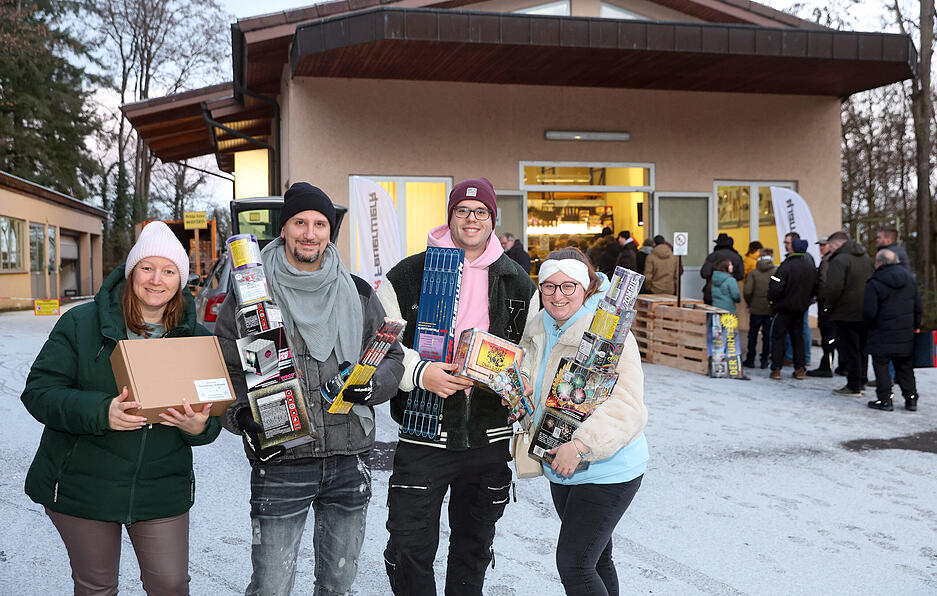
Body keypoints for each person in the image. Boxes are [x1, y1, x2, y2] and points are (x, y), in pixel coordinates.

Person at [215, 183, 405, 595]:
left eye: (320, 224)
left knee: (338, 583)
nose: (309, 233)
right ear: (284, 229)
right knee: (271, 585)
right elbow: (223, 366)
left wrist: (372, 385)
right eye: (300, 222)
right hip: (283, 458)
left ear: (330, 232)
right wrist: (241, 414)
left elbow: (392, 356)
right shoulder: (251, 294)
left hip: (349, 456)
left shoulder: (357, 291)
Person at [21, 221, 221, 595]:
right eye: (147, 268)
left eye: (169, 271)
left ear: (181, 280)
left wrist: (199, 427)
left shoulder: (197, 338)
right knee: (97, 587)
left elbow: (212, 415)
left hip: (160, 488)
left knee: (170, 585)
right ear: (131, 272)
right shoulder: (81, 323)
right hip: (85, 484)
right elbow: (39, 392)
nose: (156, 280)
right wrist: (101, 412)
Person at [377, 178, 538, 595]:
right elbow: (384, 343)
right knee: (409, 547)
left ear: (492, 219)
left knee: (473, 548)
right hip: (424, 433)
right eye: (462, 211)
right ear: (450, 216)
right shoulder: (407, 275)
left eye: (481, 212)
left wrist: (518, 381)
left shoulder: (518, 282)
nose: (471, 219)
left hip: (487, 437)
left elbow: (532, 351)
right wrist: (421, 373)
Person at [519, 248, 647, 596]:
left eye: (568, 286)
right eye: (549, 286)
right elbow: (533, 371)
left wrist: (581, 445)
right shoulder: (539, 325)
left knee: (574, 564)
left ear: (586, 287)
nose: (557, 295)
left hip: (607, 468)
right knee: (597, 559)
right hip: (560, 464)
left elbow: (628, 405)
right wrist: (522, 387)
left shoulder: (610, 330)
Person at [863, 249, 921, 411]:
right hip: (905, 332)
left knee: (881, 365)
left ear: (880, 263)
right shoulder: (910, 279)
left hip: (881, 332)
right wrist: (915, 326)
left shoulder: (875, 282)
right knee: (905, 366)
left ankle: (885, 400)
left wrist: (866, 328)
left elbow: (869, 311)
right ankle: (911, 399)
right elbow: (918, 306)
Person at [821, 231, 874, 396]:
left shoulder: (839, 260)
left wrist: (827, 308)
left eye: (830, 246)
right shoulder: (866, 258)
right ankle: (861, 381)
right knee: (862, 349)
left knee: (849, 349)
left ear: (837, 244)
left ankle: (853, 385)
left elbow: (833, 287)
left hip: (845, 312)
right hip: (865, 310)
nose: (829, 249)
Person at [768, 238, 817, 380]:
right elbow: (815, 287)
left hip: (783, 308)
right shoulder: (810, 266)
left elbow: (775, 285)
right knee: (798, 338)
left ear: (793, 249)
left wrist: (772, 300)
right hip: (800, 308)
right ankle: (800, 369)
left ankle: (776, 369)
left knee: (778, 337)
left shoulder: (786, 265)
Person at [807, 235, 836, 377]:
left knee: (828, 337)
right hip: (834, 304)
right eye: (820, 245)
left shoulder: (827, 261)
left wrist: (820, 297)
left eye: (823, 245)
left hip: (827, 304)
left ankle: (826, 367)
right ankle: (840, 366)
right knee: (833, 336)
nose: (821, 248)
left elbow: (823, 282)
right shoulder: (836, 259)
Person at [743, 248, 775, 369]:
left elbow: (747, 291)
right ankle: (764, 360)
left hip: (755, 307)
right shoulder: (775, 272)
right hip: (770, 308)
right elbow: (778, 288)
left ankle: (750, 359)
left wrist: (749, 303)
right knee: (767, 335)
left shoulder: (753, 273)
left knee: (752, 334)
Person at [700, 233, 744, 305]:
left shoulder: (712, 256)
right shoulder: (737, 257)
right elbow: (740, 276)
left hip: (711, 293)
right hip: (729, 294)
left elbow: (704, 273)